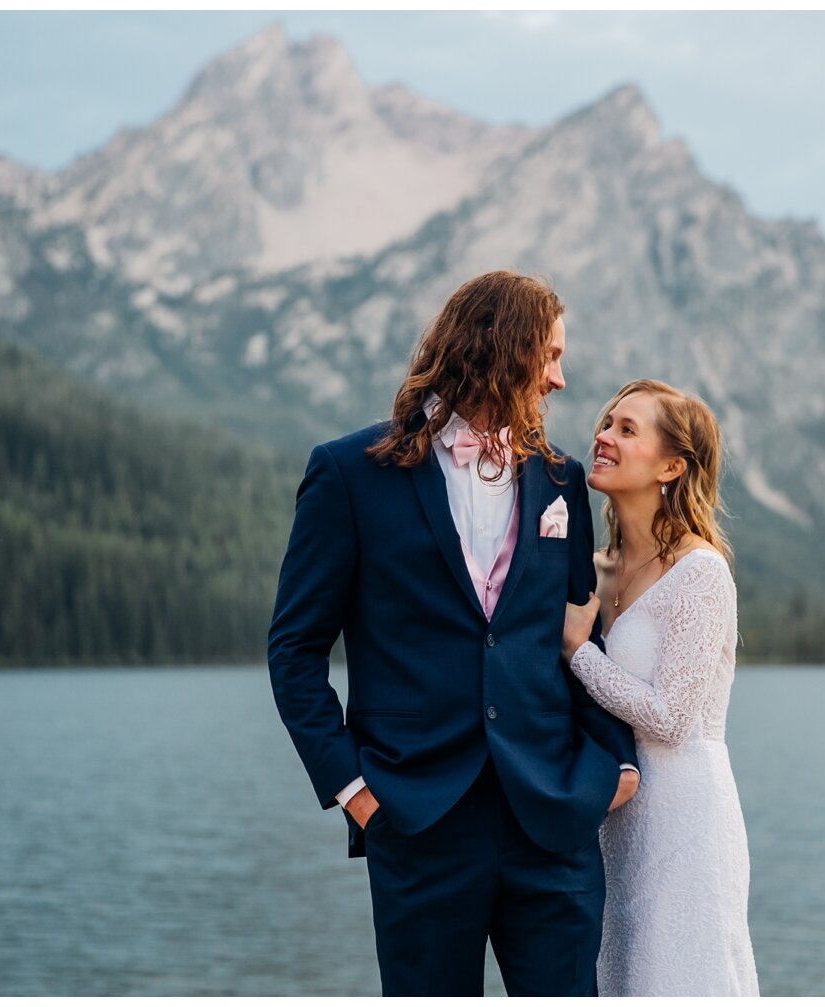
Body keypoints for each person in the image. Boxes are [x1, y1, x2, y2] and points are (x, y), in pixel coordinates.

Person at [268, 271, 640, 996]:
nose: (562, 380)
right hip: (417, 817)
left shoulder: (562, 482)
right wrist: (353, 789)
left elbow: (574, 635)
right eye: (551, 356)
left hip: (553, 815)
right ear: (501, 349)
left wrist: (615, 762)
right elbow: (294, 648)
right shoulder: (348, 473)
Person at [561, 378, 760, 997]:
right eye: (606, 423)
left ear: (672, 466)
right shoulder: (595, 569)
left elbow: (671, 718)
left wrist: (578, 652)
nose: (604, 436)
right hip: (617, 818)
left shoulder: (701, 573)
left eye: (628, 429)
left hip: (686, 818)